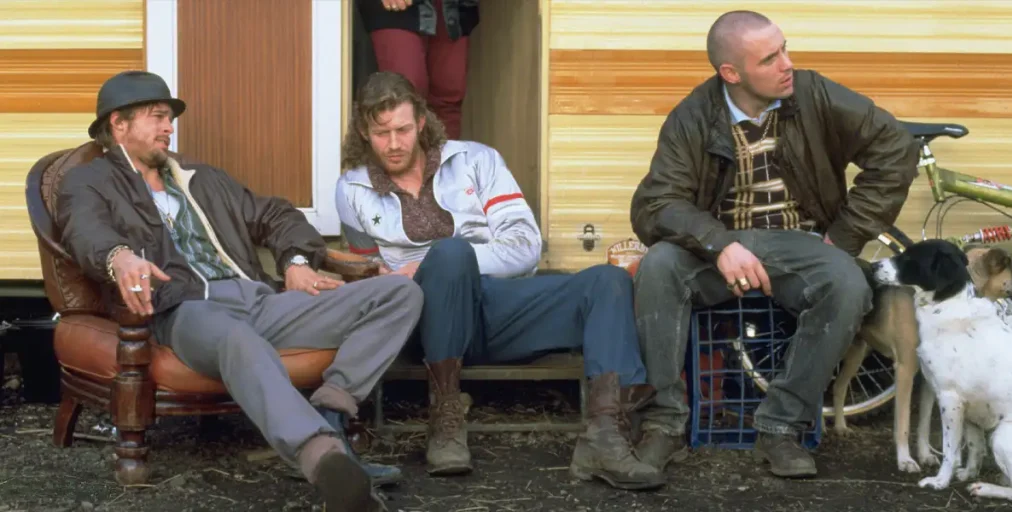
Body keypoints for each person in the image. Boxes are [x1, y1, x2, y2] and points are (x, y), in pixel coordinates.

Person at [57, 70, 423, 511]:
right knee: (237, 338)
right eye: (157, 117)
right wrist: (121, 258)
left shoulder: (201, 178)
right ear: (119, 125)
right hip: (186, 311)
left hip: (259, 300)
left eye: (169, 118)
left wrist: (296, 262)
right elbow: (85, 230)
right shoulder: (90, 181)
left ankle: (331, 408)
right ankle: (324, 461)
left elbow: (276, 215)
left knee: (399, 294)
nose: (169, 127)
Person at [335, 71, 664, 490]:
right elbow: (368, 270)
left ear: (420, 121)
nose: (394, 143)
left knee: (607, 282)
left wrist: (432, 263)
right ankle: (446, 422)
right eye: (381, 133)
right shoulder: (351, 189)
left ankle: (605, 439)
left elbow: (525, 246)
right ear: (365, 131)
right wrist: (405, 276)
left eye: (402, 129)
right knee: (450, 254)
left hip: (493, 304)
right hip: (422, 323)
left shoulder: (476, 160)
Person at [629, 11, 919, 478]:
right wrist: (719, 243)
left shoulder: (813, 93)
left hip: (798, 243)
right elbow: (657, 201)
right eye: (770, 58)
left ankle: (781, 427)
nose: (787, 64)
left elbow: (895, 148)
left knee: (847, 284)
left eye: (785, 48)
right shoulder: (694, 115)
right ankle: (664, 423)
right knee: (659, 266)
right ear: (731, 73)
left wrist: (841, 238)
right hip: (720, 247)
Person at [356, 0, 479, 139]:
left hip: (451, 8)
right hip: (396, 11)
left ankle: (442, 160)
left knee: (448, 98)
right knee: (403, 98)